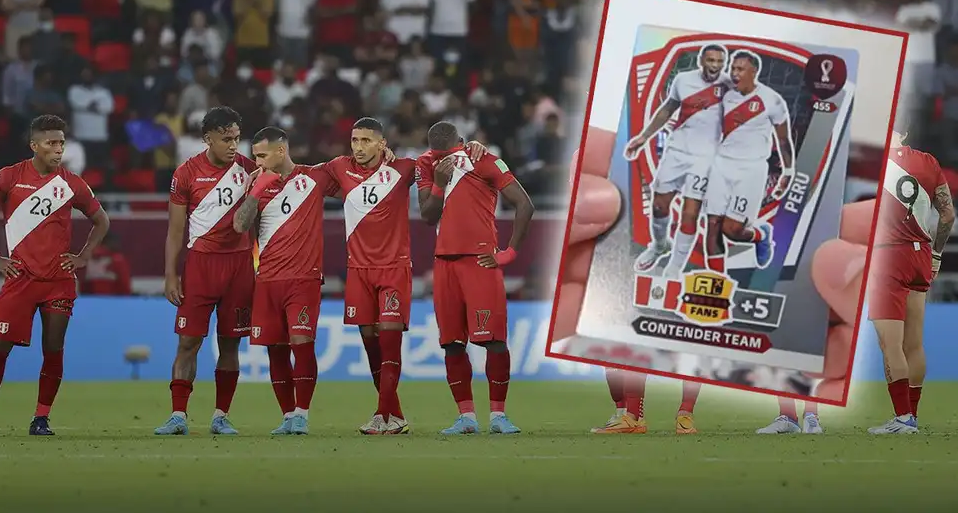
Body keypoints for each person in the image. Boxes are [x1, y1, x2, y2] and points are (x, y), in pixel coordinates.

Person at [555, 127, 864, 434]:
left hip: (722, 258)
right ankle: (631, 413)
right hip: (676, 249)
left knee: (709, 334)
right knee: (626, 334)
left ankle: (686, 414)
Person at [319, 117, 486, 434]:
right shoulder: (339, 167)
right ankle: (394, 415)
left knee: (389, 340)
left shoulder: (405, 168)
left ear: (382, 143)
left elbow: (443, 157)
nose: (359, 147)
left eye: (366, 140)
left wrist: (471, 146)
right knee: (371, 344)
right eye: (355, 140)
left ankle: (382, 415)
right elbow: (304, 175)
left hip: (394, 268)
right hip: (358, 270)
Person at [0, 114, 110, 437]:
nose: (58, 149)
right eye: (51, 143)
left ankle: (41, 418)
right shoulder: (10, 176)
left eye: (61, 143)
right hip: (20, 277)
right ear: (34, 145)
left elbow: (102, 220)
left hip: (58, 281)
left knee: (53, 349)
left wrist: (83, 256)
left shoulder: (71, 183)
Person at [415, 120, 534, 435]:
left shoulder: (483, 159)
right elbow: (427, 216)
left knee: (494, 341)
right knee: (452, 343)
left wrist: (508, 253)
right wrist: (439, 184)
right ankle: (466, 417)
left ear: (461, 143)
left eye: (449, 154)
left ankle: (498, 416)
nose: (443, 160)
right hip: (444, 264)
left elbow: (525, 204)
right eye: (438, 155)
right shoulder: (425, 164)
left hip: (480, 262)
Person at [154, 107, 258, 436]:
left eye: (237, 138)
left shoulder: (250, 170)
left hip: (239, 265)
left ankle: (220, 416)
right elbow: (175, 230)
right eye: (226, 139)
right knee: (188, 342)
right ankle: (178, 416)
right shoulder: (186, 174)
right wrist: (171, 275)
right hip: (200, 265)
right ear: (207, 139)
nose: (233, 145)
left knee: (230, 345)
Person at [232, 127, 339, 435]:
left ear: (281, 151)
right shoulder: (256, 185)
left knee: (301, 344)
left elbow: (355, 177)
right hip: (267, 279)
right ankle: (288, 415)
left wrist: (385, 155)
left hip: (303, 279)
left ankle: (302, 413)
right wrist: (255, 191)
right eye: (254, 156)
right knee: (275, 349)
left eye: (262, 156)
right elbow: (239, 225)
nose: (257, 162)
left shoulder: (314, 177)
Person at [865, 126, 953, 434]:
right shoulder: (927, 161)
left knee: (890, 343)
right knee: (914, 343)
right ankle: (911, 416)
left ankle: (902, 417)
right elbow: (948, 215)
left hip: (888, 255)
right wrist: (937, 254)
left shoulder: (875, 160)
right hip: (921, 253)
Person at [625, 44, 730, 279]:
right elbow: (667, 109)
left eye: (719, 61)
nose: (715, 66)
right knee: (659, 205)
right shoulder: (683, 80)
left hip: (706, 158)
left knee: (690, 214)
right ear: (701, 60)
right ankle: (659, 246)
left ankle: (675, 266)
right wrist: (643, 137)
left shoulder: (729, 86)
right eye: (711, 60)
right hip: (677, 152)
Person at [703, 50, 794, 275]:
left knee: (732, 230)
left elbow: (783, 140)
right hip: (722, 165)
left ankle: (761, 234)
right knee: (712, 226)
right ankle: (717, 281)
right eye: (733, 68)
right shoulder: (725, 94)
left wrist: (788, 172)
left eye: (740, 69)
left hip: (751, 170)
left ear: (754, 72)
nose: (734, 73)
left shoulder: (772, 100)